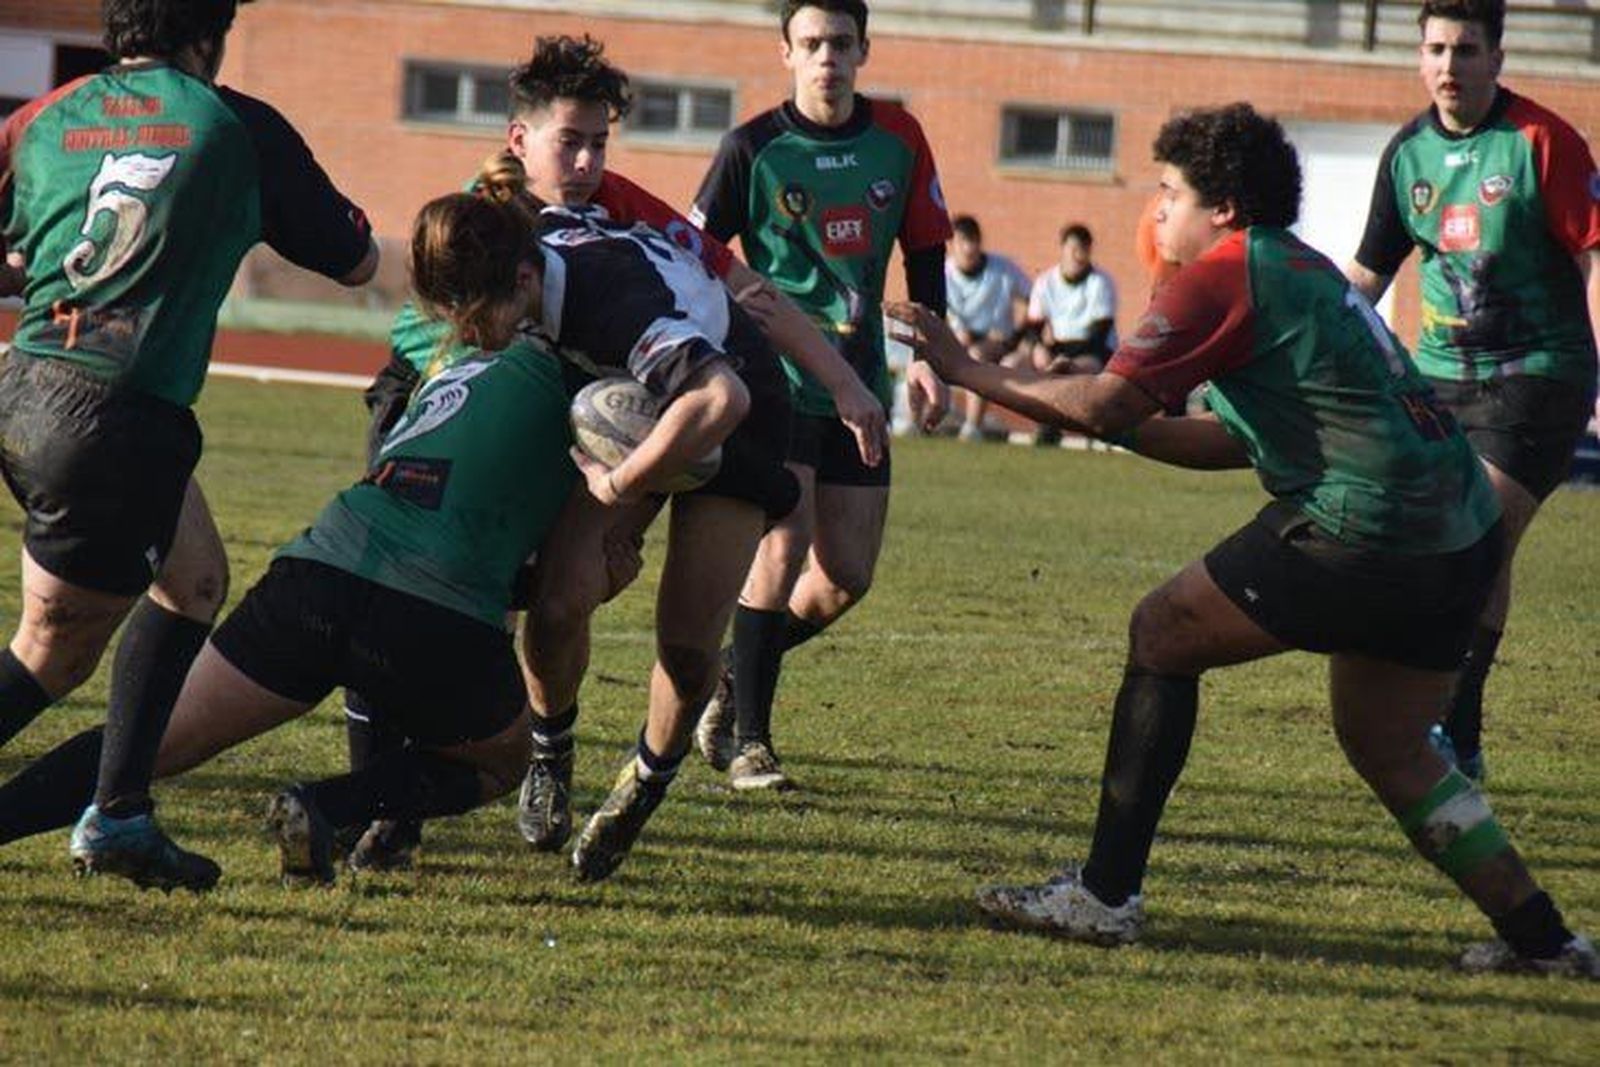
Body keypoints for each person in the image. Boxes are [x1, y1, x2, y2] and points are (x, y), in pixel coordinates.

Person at [887, 102, 1596, 977]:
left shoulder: (1224, 273)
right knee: (1394, 748)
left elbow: (1108, 403)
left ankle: (1104, 897)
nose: (1156, 211)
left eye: (1169, 192)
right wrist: (1113, 417)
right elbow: (1221, 439)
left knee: (1162, 632)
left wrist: (971, 371)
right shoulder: (1293, 268)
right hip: (1458, 535)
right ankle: (1548, 942)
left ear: (1221, 208)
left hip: (1367, 531)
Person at [343, 34, 887, 871]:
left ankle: (642, 779)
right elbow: (454, 351)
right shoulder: (481, 223)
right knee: (524, 598)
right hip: (467, 405)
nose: (590, 161)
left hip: (688, 409)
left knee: (686, 642)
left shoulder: (617, 213)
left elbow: (747, 298)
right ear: (519, 140)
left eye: (602, 141)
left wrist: (844, 384)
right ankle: (514, 762)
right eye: (572, 141)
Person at [0, 196, 574, 885]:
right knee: (502, 755)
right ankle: (328, 806)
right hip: (430, 609)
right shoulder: (575, 375)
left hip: (316, 571)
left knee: (146, 744)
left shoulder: (446, 353)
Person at [0, 0, 376, 890]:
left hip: (27, 385)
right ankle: (117, 816)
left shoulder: (44, 115)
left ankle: (120, 810)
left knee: (194, 577)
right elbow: (354, 260)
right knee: (53, 651)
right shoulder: (236, 123)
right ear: (210, 38)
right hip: (115, 415)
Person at [433, 173, 802, 881]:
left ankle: (642, 785)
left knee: (689, 651)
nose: (472, 331)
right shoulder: (529, 250)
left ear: (521, 276)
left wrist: (623, 484)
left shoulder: (609, 304)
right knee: (558, 596)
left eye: (482, 312)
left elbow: (720, 396)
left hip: (735, 415)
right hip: (645, 398)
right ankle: (551, 752)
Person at [690, 0, 952, 790]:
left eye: (840, 42)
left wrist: (926, 357)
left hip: (861, 377)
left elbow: (927, 253)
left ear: (864, 49)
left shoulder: (898, 138)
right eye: (810, 44)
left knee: (845, 576)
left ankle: (732, 674)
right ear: (785, 54)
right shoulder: (752, 149)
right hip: (778, 379)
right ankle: (750, 745)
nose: (826, 57)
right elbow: (697, 249)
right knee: (783, 543)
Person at [1343, 0, 1599, 784]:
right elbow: (1366, 279)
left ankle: (1448, 726)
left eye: (1465, 49)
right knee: (1473, 546)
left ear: (1497, 56)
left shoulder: (1542, 141)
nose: (1449, 67)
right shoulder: (1407, 153)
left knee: (1477, 529)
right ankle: (1465, 733)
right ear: (1420, 57)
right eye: (1436, 50)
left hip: (1537, 376)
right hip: (1438, 383)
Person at [944, 214, 1032, 441]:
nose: (968, 248)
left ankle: (973, 425)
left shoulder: (1003, 268)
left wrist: (1017, 336)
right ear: (952, 245)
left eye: (973, 241)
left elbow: (1032, 301)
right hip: (953, 341)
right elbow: (941, 314)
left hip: (995, 343)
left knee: (977, 356)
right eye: (962, 241)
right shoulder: (943, 274)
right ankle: (919, 419)